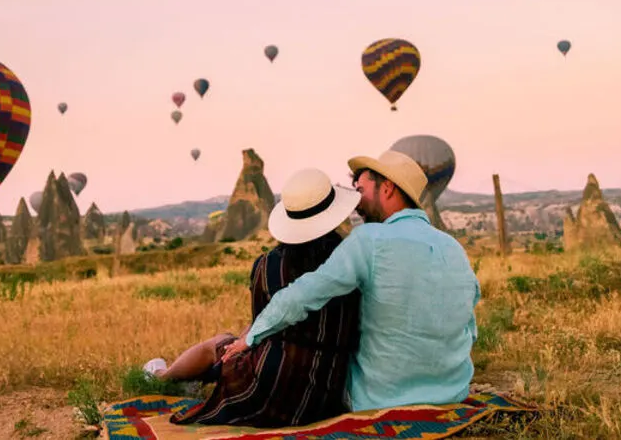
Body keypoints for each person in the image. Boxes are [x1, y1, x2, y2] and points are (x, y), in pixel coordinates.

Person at [222, 150, 481, 412]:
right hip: (452, 393)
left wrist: (252, 335)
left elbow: (305, 293)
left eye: (361, 189)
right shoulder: (454, 248)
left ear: (388, 188)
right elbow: (470, 327)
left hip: (381, 398)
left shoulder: (369, 239)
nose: (357, 201)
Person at [141, 168, 363, 428]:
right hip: (327, 392)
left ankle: (161, 376)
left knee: (222, 343)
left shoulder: (268, 266)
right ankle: (192, 375)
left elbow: (261, 324)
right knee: (233, 344)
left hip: (267, 389)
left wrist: (237, 343)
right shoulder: (352, 263)